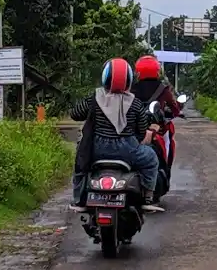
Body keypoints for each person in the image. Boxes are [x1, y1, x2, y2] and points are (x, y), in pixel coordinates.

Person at [69, 58, 162, 213]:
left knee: (80, 165)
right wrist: (134, 142)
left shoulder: (95, 98)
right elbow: (141, 130)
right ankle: (148, 198)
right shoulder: (136, 103)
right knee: (151, 159)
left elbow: (75, 114)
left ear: (105, 77)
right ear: (129, 79)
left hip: (96, 150)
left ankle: (79, 200)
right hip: (128, 150)